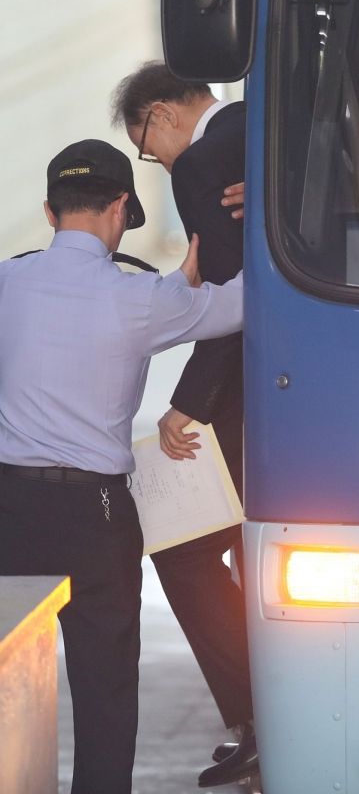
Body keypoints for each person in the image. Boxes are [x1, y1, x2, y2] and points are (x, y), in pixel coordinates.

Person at [0, 138, 244, 794]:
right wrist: (248, 227)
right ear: (119, 209)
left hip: (10, 509)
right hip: (95, 514)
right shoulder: (140, 298)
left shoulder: (6, 282)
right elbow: (242, 305)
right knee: (104, 690)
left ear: (49, 212)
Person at [111, 62, 256, 788]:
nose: (158, 162)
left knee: (185, 554)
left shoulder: (201, 162)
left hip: (250, 399)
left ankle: (262, 716)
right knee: (249, 556)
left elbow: (231, 304)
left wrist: (188, 403)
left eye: (147, 147)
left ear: (162, 114)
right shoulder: (264, 129)